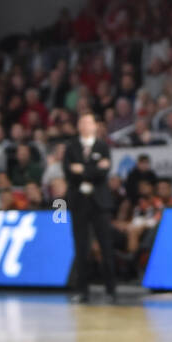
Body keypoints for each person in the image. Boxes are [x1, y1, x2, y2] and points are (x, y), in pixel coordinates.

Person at [63, 112, 117, 304]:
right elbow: (69, 173)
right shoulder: (71, 147)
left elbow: (103, 172)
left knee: (105, 246)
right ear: (78, 126)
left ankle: (111, 290)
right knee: (81, 247)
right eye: (82, 122)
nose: (85, 126)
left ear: (95, 126)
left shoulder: (103, 146)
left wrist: (83, 170)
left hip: (100, 203)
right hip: (79, 203)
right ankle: (82, 290)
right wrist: (93, 168)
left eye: (89, 122)